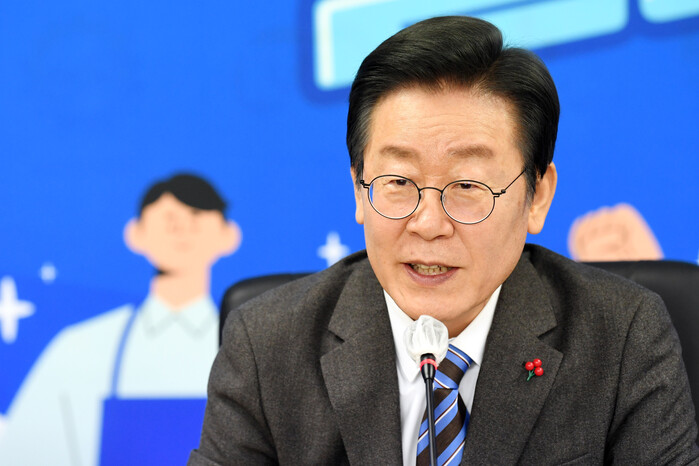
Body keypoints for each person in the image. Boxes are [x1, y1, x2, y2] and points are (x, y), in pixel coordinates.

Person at [189, 16, 698, 465]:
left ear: (537, 197)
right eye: (397, 181)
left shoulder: (622, 338)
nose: (428, 223)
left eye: (468, 186)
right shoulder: (267, 345)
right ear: (360, 191)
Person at [0, 174, 241, 466]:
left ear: (228, 236)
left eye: (195, 217)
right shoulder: (80, 346)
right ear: (136, 233)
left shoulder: (250, 349)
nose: (181, 231)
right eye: (169, 220)